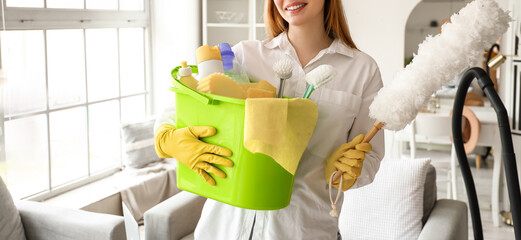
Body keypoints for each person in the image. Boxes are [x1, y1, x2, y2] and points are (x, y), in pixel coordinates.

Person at [154, 0, 385, 239]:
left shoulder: (362, 70)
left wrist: (348, 173)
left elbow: (372, 155)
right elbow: (176, 109)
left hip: (304, 230)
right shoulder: (245, 56)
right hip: (223, 228)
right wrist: (167, 137)